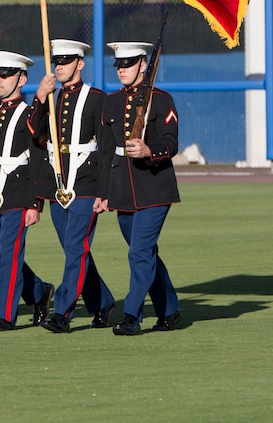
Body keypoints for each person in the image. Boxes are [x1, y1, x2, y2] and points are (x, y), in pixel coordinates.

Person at [28, 39, 117, 333]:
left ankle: (62, 311)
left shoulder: (97, 98)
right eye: (57, 62)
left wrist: (105, 192)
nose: (60, 67)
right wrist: (40, 97)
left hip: (87, 182)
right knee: (74, 250)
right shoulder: (52, 98)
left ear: (80, 63)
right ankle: (102, 302)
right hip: (58, 182)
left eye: (66, 61)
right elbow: (35, 133)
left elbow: (105, 149)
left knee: (76, 247)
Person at [96, 41, 182, 336]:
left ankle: (131, 314)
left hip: (155, 188)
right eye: (118, 65)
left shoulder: (161, 99)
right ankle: (169, 309)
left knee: (138, 253)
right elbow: (106, 153)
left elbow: (171, 143)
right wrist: (103, 193)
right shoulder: (111, 102)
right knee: (145, 253)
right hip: (123, 190)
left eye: (128, 64)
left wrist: (149, 151)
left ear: (143, 65)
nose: (121, 70)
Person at [0, 50, 54, 331]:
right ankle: (38, 292)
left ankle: (5, 314)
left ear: (22, 79)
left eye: (6, 75)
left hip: (19, 189)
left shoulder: (29, 113)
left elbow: (38, 156)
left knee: (10, 252)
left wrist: (35, 203)